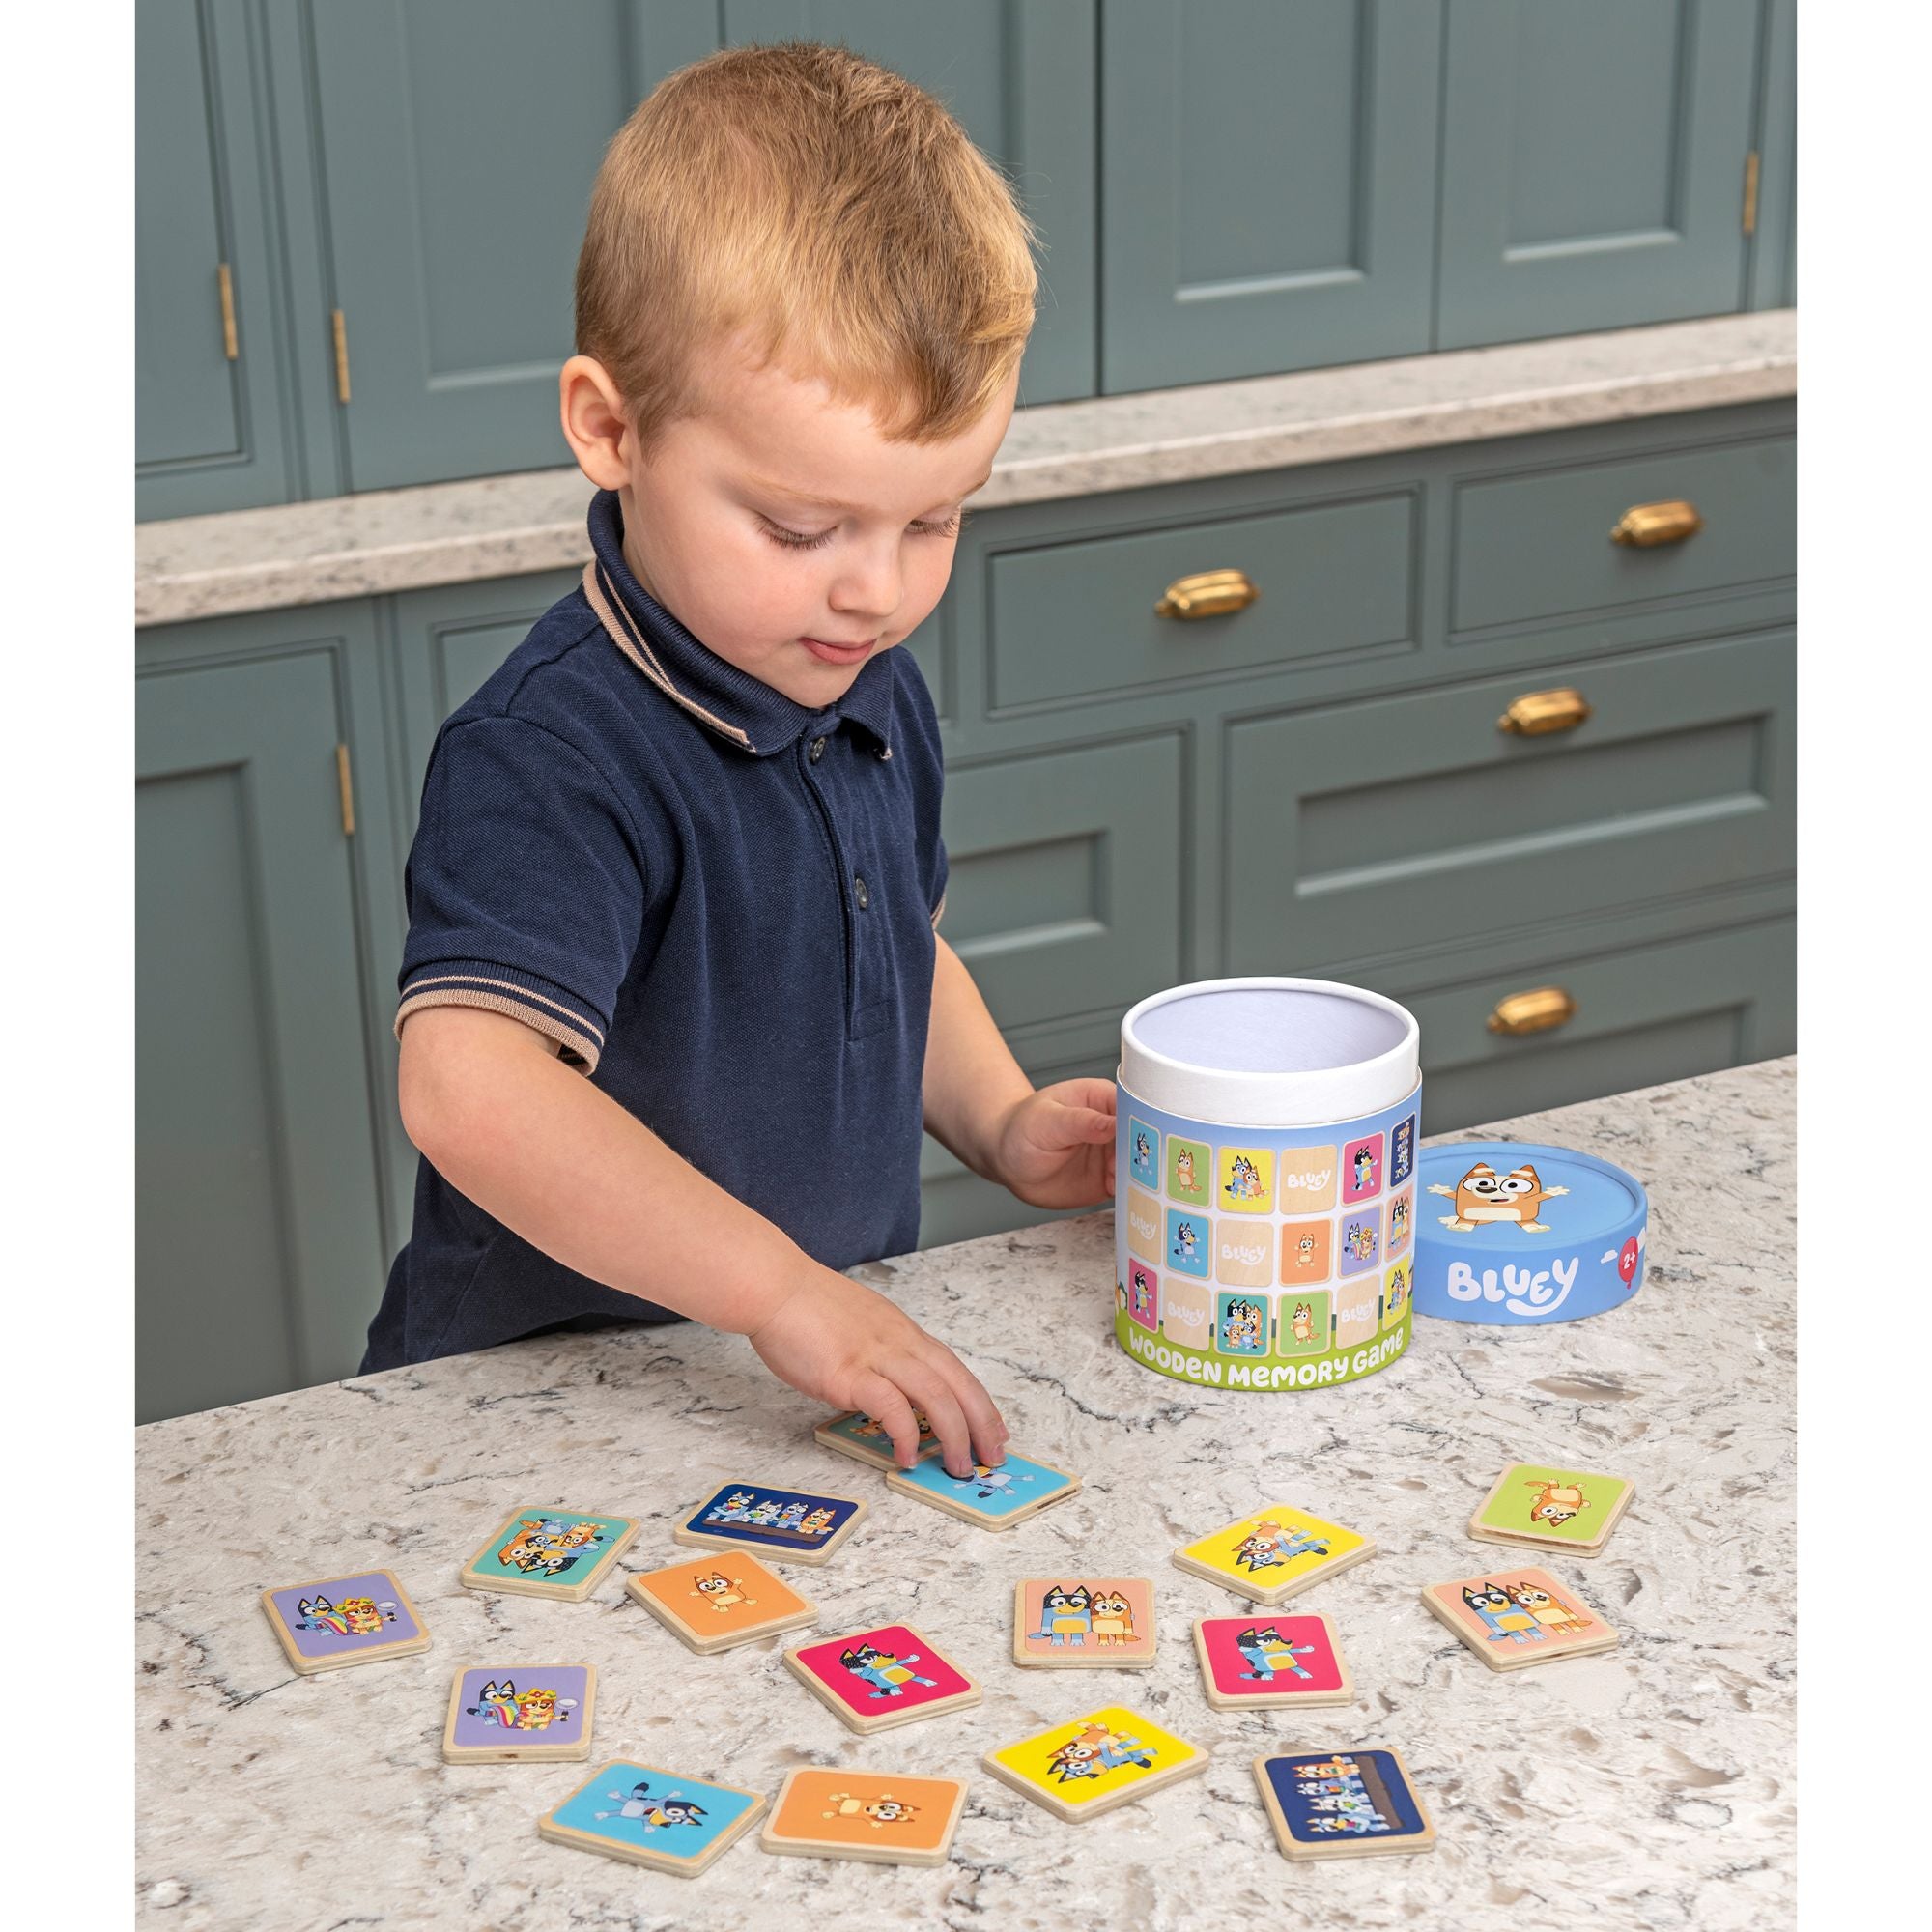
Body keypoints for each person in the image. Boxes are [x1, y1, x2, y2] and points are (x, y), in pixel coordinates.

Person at [360, 43, 1118, 1476]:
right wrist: (778, 1294)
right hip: (540, 1421)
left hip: (786, 1407)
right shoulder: (554, 754)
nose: (877, 591)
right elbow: (469, 1088)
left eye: (934, 520)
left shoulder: (867, 688)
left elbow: (894, 954)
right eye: (798, 528)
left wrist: (1002, 1120)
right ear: (611, 429)